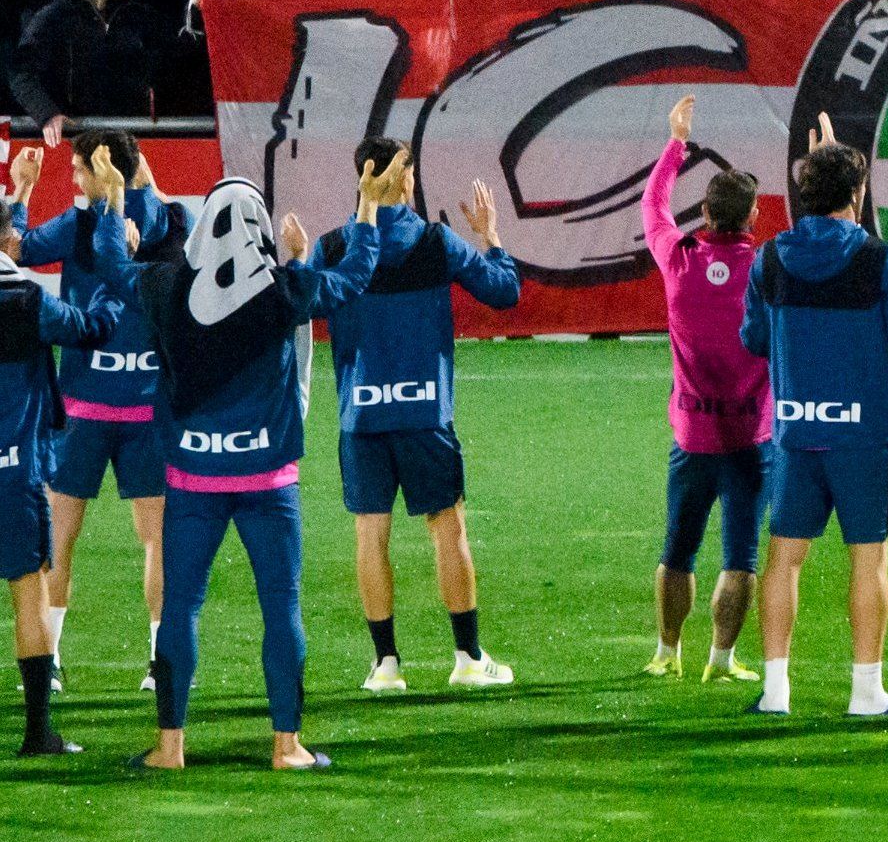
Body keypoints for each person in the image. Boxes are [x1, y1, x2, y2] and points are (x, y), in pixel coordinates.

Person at [138, 171, 378, 771]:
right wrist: (368, 212)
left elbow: (123, 269)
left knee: (181, 608)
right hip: (268, 482)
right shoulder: (285, 290)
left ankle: (170, 748)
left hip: (192, 481)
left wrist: (124, 201)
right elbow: (351, 280)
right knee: (281, 607)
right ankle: (285, 745)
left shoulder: (166, 287)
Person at [741, 124, 888, 720]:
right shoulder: (879, 260)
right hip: (862, 438)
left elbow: (753, 337)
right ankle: (866, 693)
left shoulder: (769, 260)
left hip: (794, 433)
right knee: (869, 557)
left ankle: (776, 692)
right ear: (857, 196)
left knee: (784, 556)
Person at [323, 143, 523, 694]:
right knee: (448, 530)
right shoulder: (434, 242)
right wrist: (492, 237)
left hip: (360, 418)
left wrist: (296, 258)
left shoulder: (337, 246)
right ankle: (467, 656)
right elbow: (505, 292)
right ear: (403, 179)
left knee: (370, 537)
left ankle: (386, 666)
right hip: (424, 414)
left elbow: (298, 300)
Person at [17, 122, 190, 693]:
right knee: (158, 539)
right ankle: (158, 663)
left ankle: (51, 662)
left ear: (102, 171)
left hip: (84, 410)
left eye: (78, 169)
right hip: (144, 411)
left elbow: (14, 250)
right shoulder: (165, 216)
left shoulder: (81, 223)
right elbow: (157, 216)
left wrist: (19, 193)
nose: (71, 179)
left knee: (58, 537)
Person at [642, 95, 770, 682]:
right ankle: (720, 660)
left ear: (706, 212)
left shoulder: (680, 257)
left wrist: (676, 142)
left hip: (692, 438)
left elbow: (652, 205)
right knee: (740, 558)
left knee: (677, 551)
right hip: (750, 438)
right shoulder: (767, 268)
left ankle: (667, 652)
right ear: (752, 219)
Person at [3, 146, 119, 754]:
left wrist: (19, 197)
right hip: (15, 473)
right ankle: (37, 732)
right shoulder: (28, 303)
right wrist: (111, 275)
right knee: (29, 587)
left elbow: (12, 241)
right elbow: (93, 325)